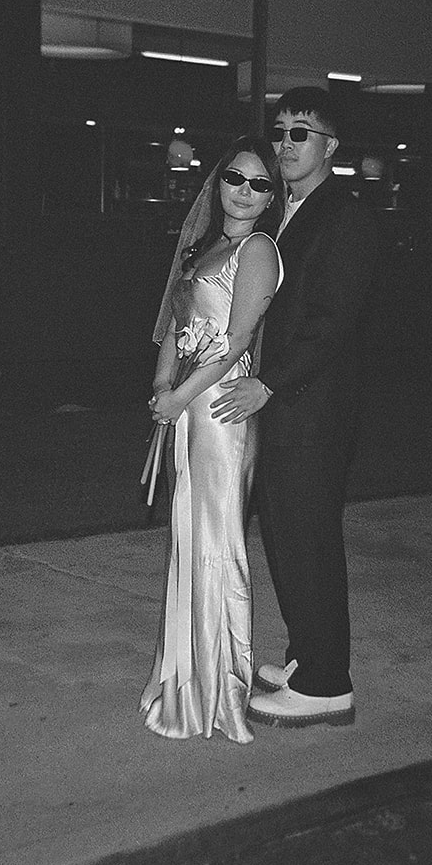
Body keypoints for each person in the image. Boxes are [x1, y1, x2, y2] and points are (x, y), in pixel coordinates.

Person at [211, 88, 380, 727]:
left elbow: (331, 324)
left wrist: (269, 384)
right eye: (279, 131)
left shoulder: (347, 217)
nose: (284, 144)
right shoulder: (287, 209)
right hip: (285, 403)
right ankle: (310, 658)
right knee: (285, 533)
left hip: (310, 406)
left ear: (330, 147)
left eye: (300, 133)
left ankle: (328, 685)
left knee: (306, 536)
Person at [139, 136, 284, 743]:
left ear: (271, 197)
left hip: (221, 410)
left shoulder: (255, 250)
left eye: (259, 184)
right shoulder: (206, 247)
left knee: (219, 543)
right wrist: (162, 385)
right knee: (187, 539)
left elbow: (234, 339)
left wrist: (181, 395)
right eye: (236, 178)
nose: (245, 191)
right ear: (218, 183)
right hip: (189, 406)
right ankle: (186, 677)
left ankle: (222, 688)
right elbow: (180, 319)